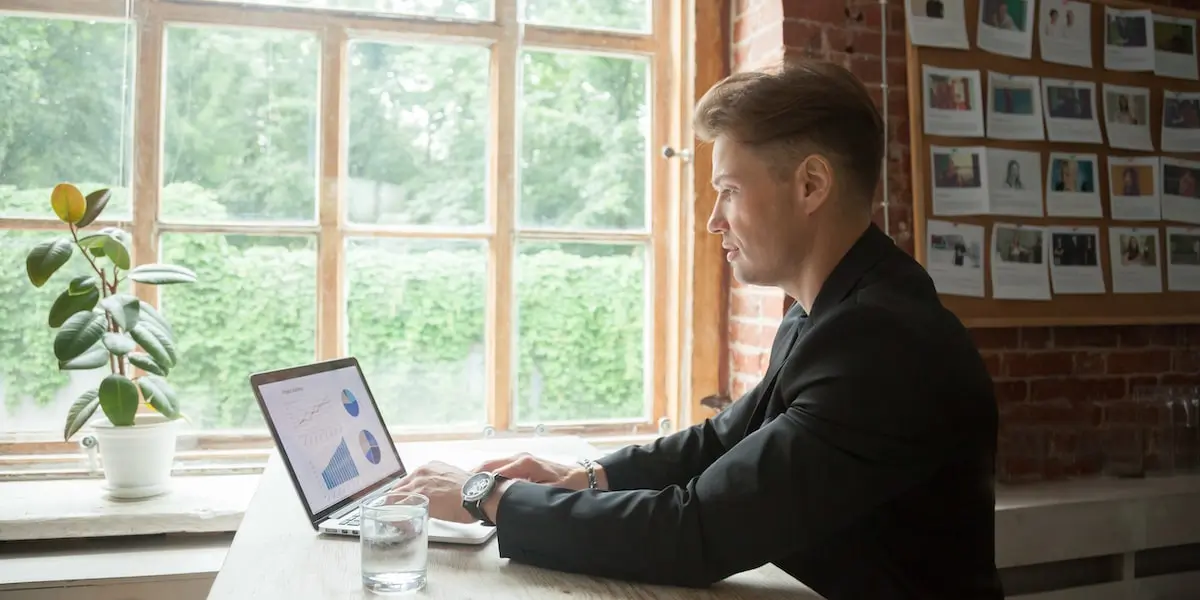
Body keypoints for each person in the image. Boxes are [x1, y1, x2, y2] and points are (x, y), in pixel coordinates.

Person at [392, 60, 1004, 600]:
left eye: (729, 191)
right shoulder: (828, 312)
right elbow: (722, 442)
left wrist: (485, 496)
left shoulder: (883, 343)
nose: (714, 219)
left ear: (811, 185)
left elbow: (696, 532)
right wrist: (587, 478)